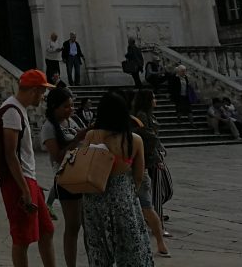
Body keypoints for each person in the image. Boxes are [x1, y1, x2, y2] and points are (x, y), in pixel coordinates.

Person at [80, 93, 153, 267]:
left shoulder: (92, 136)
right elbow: (138, 174)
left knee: (97, 245)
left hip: (95, 195)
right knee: (129, 245)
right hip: (123, 195)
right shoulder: (134, 140)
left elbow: (83, 163)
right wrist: (129, 191)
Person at [0, 69, 56, 267]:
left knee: (47, 230)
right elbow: (10, 154)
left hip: (27, 179)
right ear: (33, 90)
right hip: (18, 182)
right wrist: (24, 189)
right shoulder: (12, 112)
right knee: (22, 238)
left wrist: (32, 184)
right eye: (42, 92)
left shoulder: (19, 109)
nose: (43, 96)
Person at [40, 87, 84, 267]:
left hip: (82, 176)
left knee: (83, 224)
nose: (70, 110)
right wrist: (76, 140)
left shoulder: (71, 122)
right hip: (65, 178)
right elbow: (57, 156)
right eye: (66, 106)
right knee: (73, 225)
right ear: (54, 107)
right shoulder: (49, 127)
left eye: (72, 106)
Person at [131, 90, 171, 257]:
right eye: (153, 97)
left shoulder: (147, 114)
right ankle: (158, 225)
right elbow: (144, 135)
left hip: (153, 157)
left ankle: (155, 221)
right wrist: (155, 141)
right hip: (149, 159)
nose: (156, 100)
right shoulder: (141, 115)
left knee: (164, 191)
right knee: (153, 195)